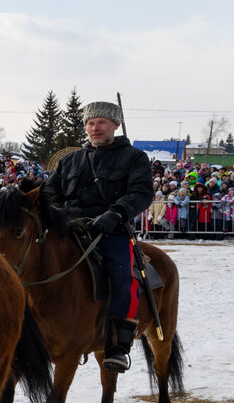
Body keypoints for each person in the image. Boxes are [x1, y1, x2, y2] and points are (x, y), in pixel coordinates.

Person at [42, 101, 155, 373]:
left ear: (115, 125)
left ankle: (118, 344)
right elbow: (49, 193)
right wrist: (56, 213)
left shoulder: (134, 157)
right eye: (91, 123)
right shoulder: (70, 160)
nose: (95, 128)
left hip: (110, 230)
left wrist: (115, 214)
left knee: (121, 275)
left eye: (101, 122)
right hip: (68, 229)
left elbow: (141, 193)